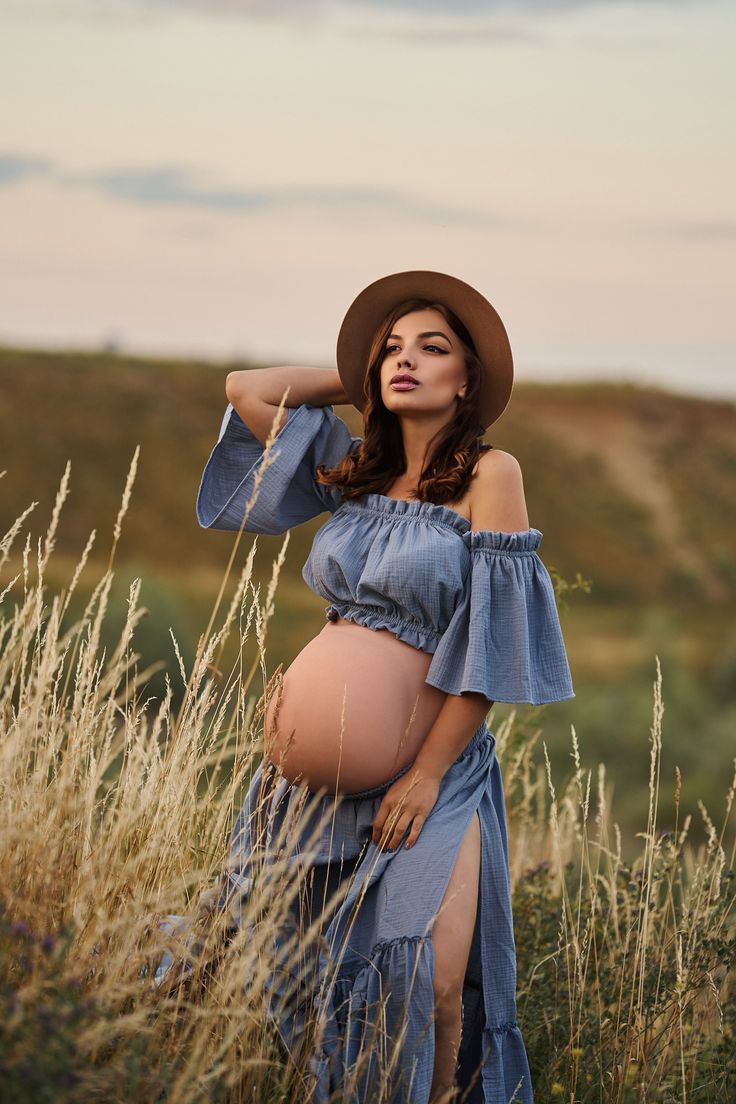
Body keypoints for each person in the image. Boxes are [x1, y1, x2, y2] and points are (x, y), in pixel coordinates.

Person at [195, 270, 575, 1104]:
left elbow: (489, 648)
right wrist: (356, 370)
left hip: (426, 778)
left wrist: (427, 773)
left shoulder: (489, 474)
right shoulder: (353, 467)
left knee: (434, 984)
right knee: (300, 970)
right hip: (300, 787)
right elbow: (246, 390)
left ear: (467, 378)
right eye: (392, 352)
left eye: (431, 350)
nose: (406, 362)